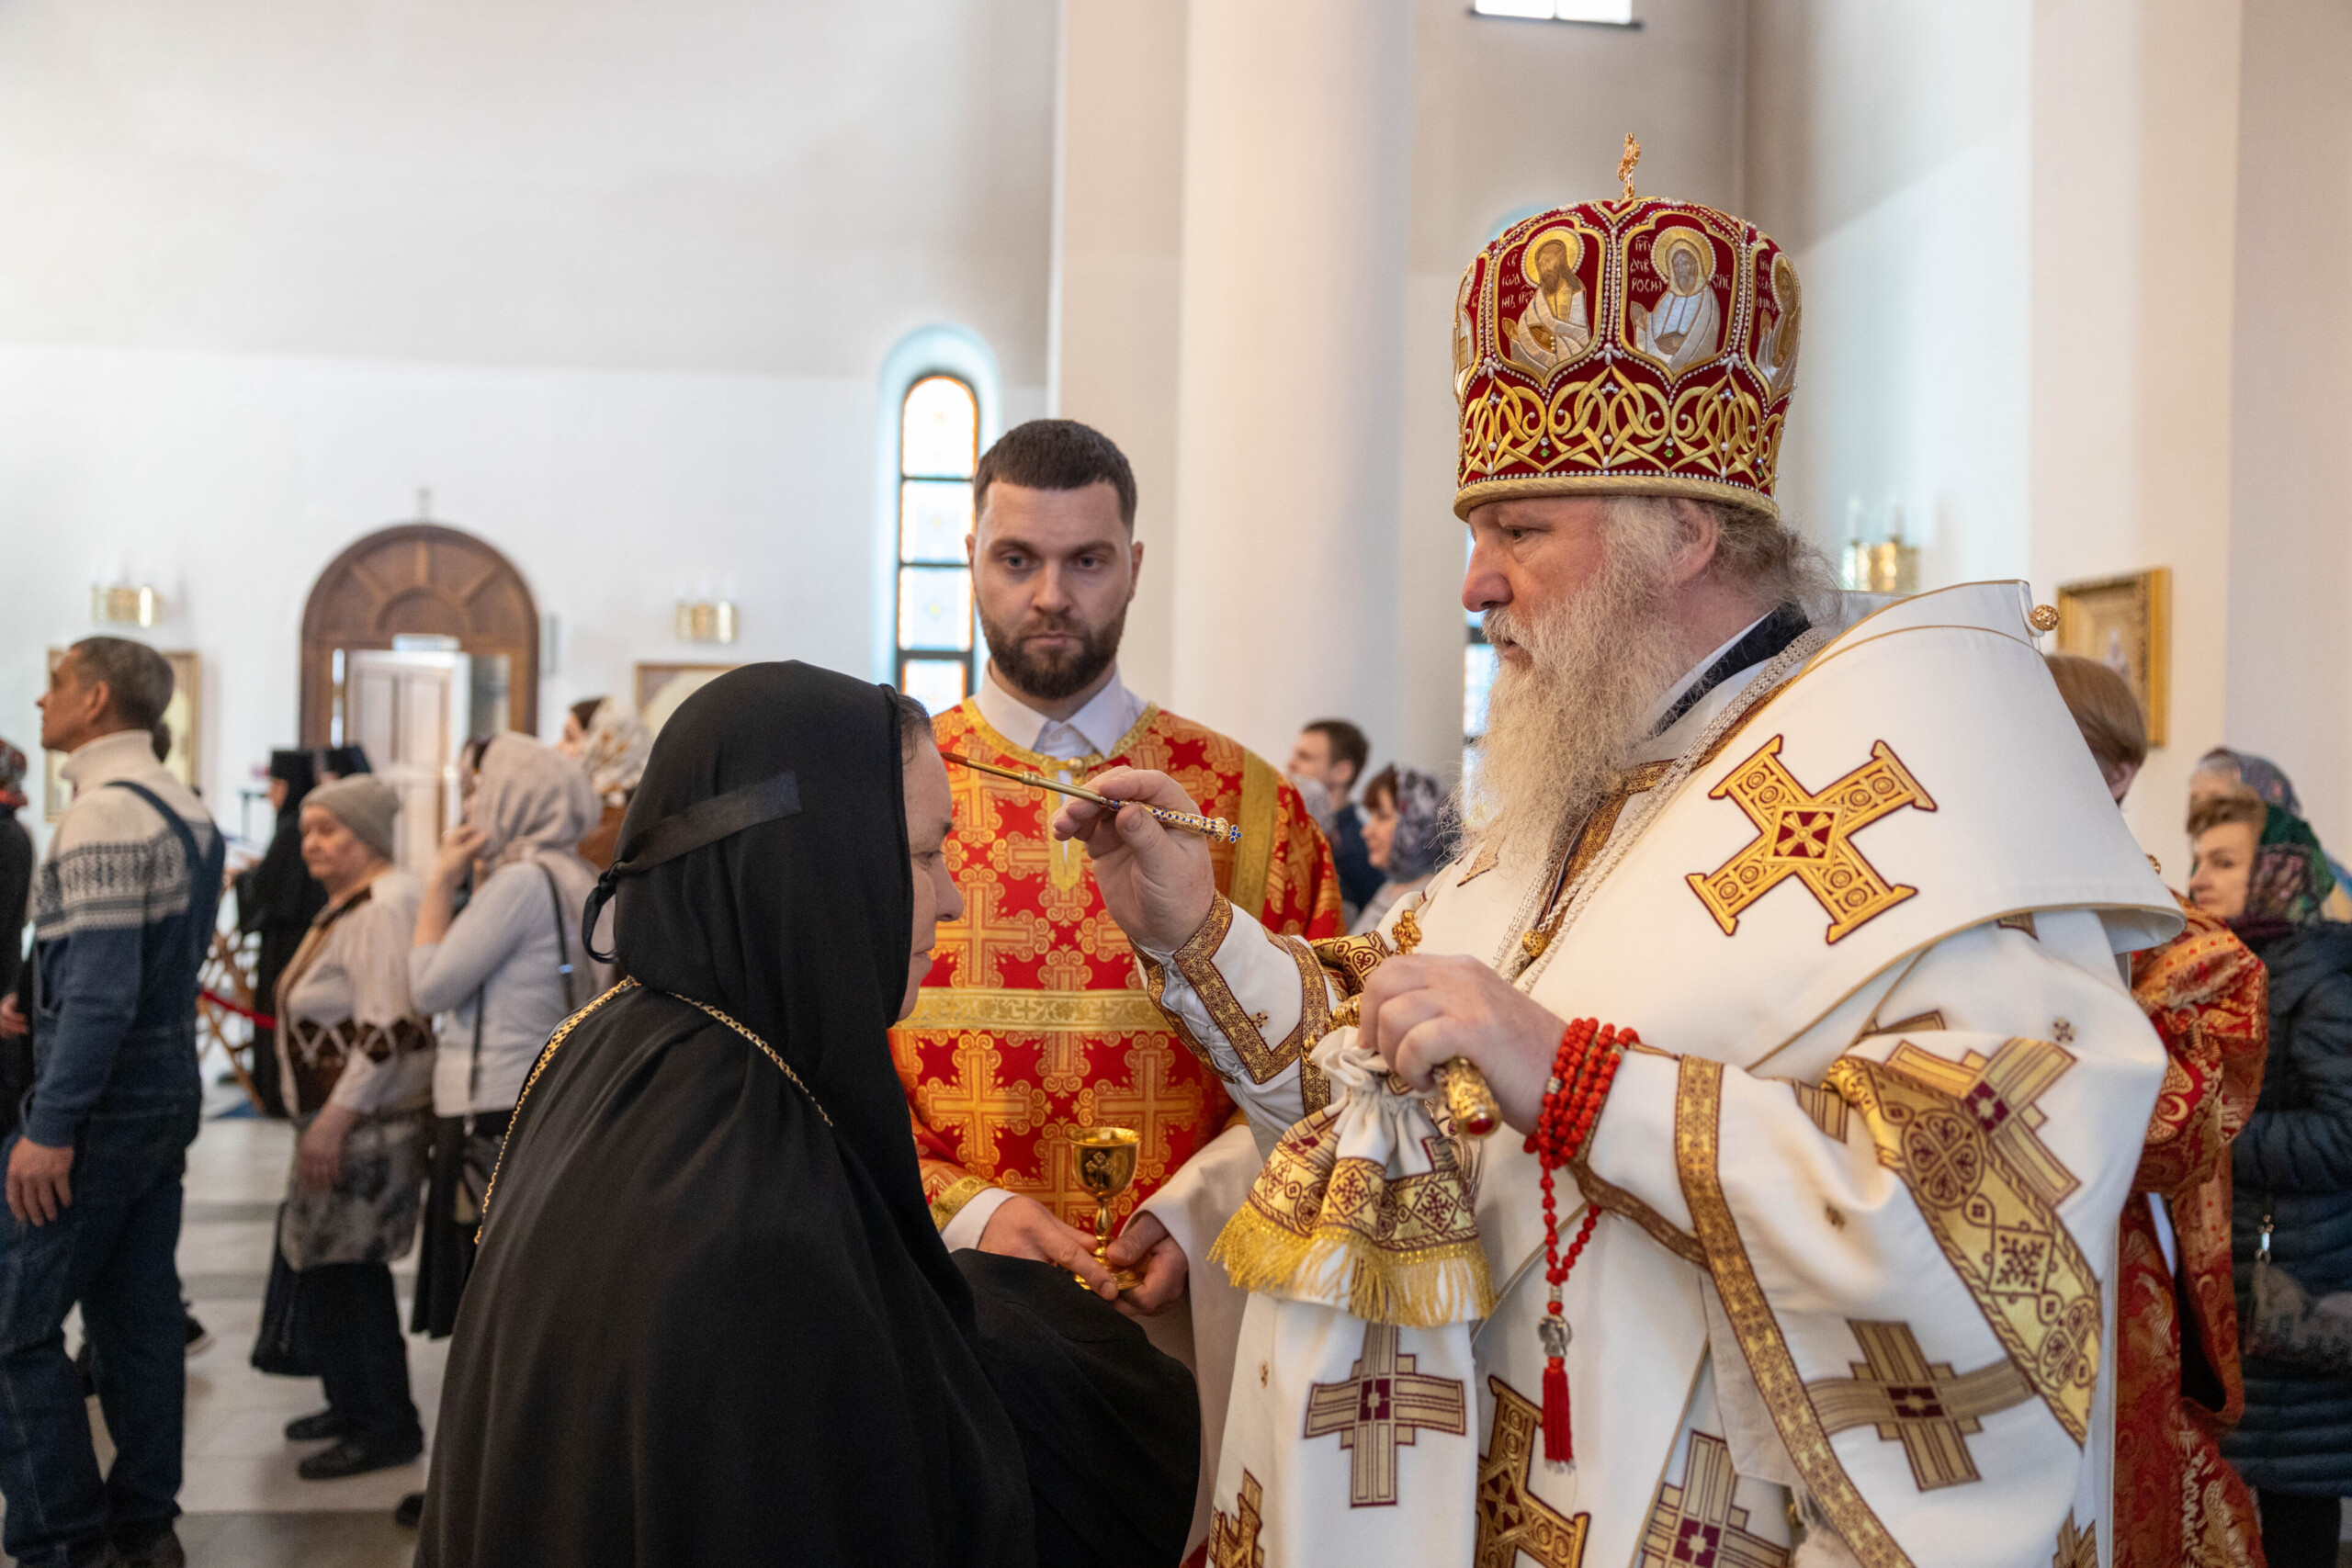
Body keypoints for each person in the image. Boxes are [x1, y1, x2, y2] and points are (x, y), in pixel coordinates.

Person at [1058, 193, 2182, 1564]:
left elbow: (1990, 1234)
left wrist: (1582, 1080)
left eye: (1520, 530)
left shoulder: (1924, 794)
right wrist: (1195, 927)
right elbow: (1385, 1072)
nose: (1474, 584)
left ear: (1683, 532)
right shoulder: (1591, 778)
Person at [421, 664, 1196, 1567]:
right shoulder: (747, 1209)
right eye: (923, 855)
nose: (952, 898)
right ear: (814, 864)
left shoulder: (619, 1042)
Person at [891, 418, 1339, 1548]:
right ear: (971, 560)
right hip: (939, 1306)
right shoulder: (891, 795)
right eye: (1017, 559)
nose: (1051, 595)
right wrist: (970, 1211)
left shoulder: (1248, 807)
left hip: (1181, 1319)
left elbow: (1328, 1069)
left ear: (1132, 566)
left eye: (1086, 560)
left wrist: (1196, 1214)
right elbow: (818, 1059)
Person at [0, 638, 221, 1568]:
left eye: (55, 685)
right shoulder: (182, 804)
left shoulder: (100, 815)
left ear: (94, 699)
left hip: (99, 1104)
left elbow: (99, 996)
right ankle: (145, 1524)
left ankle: (63, 1541)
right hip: (163, 1086)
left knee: (12, 1328)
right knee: (136, 1322)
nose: (40, 702)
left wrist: (49, 1125)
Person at [2048, 654, 2266, 1567]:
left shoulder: (2185, 948)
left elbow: (2172, 1132)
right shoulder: (1946, 913)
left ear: (2115, 773)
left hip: (2108, 1280)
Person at [2186, 788, 2352, 1561]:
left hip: (2301, 1280)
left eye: (2224, 861)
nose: (2198, 878)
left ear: (2280, 872)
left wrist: (2212, 1130)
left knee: (2295, 1500)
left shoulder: (2319, 980)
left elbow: (2343, 1134)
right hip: (2252, 1266)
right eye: (2198, 860)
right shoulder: (2238, 968)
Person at [271, 774, 432, 1481]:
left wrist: (333, 1120)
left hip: (367, 1124)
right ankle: (349, 1402)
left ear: (367, 835)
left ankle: (384, 1424)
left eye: (329, 829)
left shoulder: (381, 905)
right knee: (330, 1269)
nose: (311, 843)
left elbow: (389, 1025)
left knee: (352, 1273)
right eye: (306, 829)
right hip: (345, 1118)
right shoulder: (351, 902)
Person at [233, 750, 325, 1118]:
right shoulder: (293, 827)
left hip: (286, 939)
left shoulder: (292, 829)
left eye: (276, 786)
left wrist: (244, 878)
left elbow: (271, 891)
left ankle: (275, 1092)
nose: (270, 794)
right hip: (295, 936)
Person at [2192, 747, 2352, 921]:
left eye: (2217, 798)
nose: (2201, 810)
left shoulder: (2314, 878)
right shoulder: (2202, 878)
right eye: (2194, 799)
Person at [1290, 718, 1381, 916]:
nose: (1290, 764)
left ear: (1342, 772)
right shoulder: (1298, 828)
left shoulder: (1357, 849)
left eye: (1304, 757)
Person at [1350, 764, 1449, 937]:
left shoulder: (1430, 900)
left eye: (1382, 817)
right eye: (1370, 817)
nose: (1366, 831)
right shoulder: (1390, 888)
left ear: (1417, 824)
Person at [566, 696, 652, 871]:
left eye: (570, 738)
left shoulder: (613, 822)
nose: (558, 746)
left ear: (603, 743)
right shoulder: (595, 808)